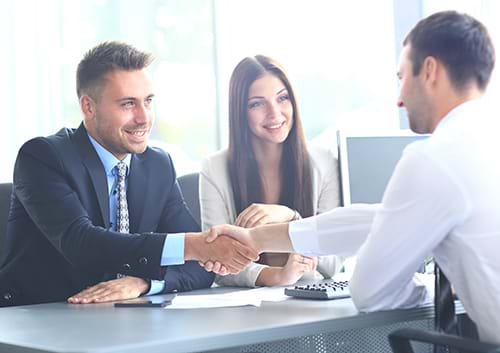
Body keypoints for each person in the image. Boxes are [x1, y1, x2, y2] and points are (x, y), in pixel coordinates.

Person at [204, 11, 500, 344]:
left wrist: (432, 288)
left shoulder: (436, 157)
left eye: (402, 77)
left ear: (429, 71)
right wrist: (259, 239)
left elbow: (371, 292)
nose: (399, 99)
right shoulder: (483, 140)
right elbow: (380, 219)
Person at [0, 41, 258, 307]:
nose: (144, 117)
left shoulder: (158, 165)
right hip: (42, 316)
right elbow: (81, 243)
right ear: (88, 107)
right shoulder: (43, 157)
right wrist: (192, 246)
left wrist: (144, 283)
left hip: (127, 318)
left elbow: (201, 267)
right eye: (127, 104)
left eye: (148, 101)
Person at [200, 55, 343, 287]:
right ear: (240, 112)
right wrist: (277, 277)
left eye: (282, 98)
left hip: (310, 298)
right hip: (243, 306)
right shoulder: (214, 168)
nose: (275, 113)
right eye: (257, 103)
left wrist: (291, 217)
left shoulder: (324, 162)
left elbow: (333, 261)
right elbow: (217, 261)